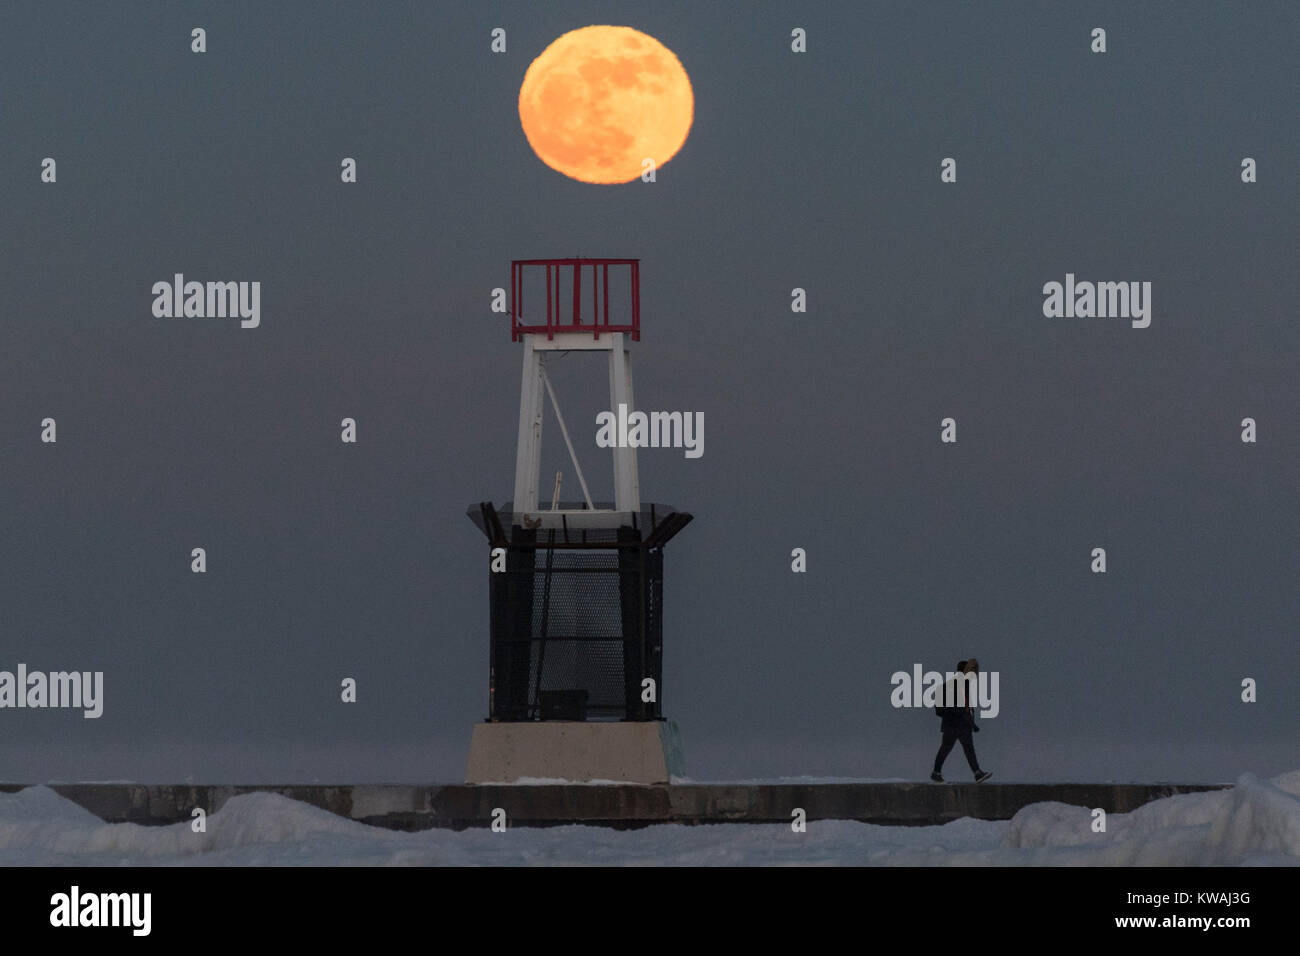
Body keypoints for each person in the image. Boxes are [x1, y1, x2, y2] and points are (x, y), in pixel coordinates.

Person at [931, 659, 992, 783]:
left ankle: (976, 773)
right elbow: (961, 707)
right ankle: (976, 773)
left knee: (951, 748)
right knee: (961, 748)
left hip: (953, 723)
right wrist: (971, 723)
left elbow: (946, 707)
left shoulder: (952, 684)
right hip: (959, 724)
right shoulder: (960, 685)